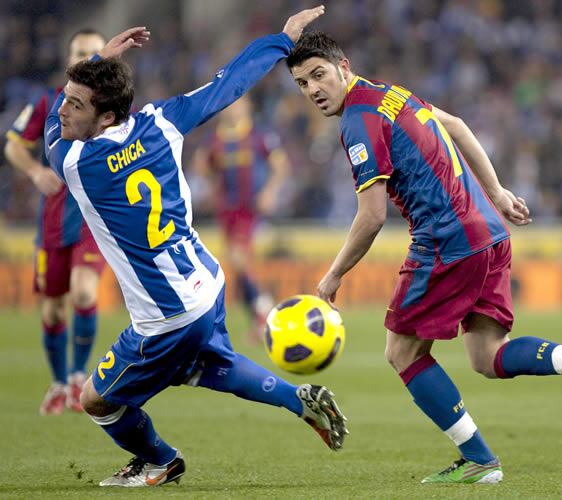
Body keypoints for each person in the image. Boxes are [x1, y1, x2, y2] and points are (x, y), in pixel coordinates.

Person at [286, 31, 562, 485]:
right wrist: (497, 192)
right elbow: (456, 124)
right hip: (489, 232)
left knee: (402, 352)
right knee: (486, 356)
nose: (313, 89)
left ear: (343, 67)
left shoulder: (357, 120)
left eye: (318, 75)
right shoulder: (389, 93)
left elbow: (371, 216)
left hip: (445, 241)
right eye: (302, 83)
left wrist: (333, 274)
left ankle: (479, 460)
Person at [45, 8, 347, 488]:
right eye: (65, 99)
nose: (62, 109)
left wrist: (100, 55)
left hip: (164, 318)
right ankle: (298, 398)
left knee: (96, 400)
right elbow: (228, 85)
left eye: (75, 104)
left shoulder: (76, 161)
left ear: (105, 117)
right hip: (205, 285)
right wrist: (282, 40)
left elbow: (48, 135)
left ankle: (159, 460)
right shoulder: (161, 122)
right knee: (210, 366)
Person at [5, 29, 107, 415]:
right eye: (81, 53)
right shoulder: (48, 103)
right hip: (52, 223)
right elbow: (14, 145)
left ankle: (79, 376)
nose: (88, 60)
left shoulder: (115, 106)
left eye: (96, 53)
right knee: (52, 311)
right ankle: (59, 382)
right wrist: (34, 172)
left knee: (84, 293)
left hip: (91, 221)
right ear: (69, 59)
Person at [193, 95, 288, 343]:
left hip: (250, 209)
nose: (232, 108)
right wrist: (211, 184)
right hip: (227, 211)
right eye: (228, 104)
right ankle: (261, 316)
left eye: (237, 103)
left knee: (238, 259)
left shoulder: (259, 135)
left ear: (247, 106)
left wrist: (269, 192)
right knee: (240, 265)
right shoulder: (215, 139)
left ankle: (264, 313)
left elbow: (281, 165)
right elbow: (201, 165)